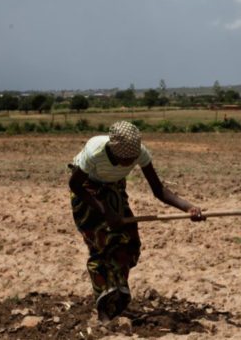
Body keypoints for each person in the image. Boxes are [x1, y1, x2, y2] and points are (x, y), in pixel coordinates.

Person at [68, 121, 204, 320]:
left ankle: (119, 294)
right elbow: (75, 184)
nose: (130, 163)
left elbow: (159, 190)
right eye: (126, 159)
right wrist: (106, 212)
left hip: (114, 188)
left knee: (129, 241)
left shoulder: (139, 153)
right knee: (100, 245)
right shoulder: (94, 151)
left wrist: (188, 208)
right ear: (114, 151)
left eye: (133, 159)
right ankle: (105, 303)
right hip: (87, 190)